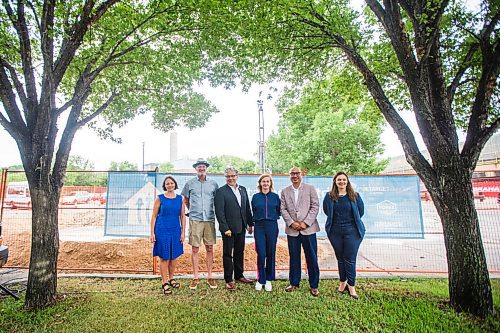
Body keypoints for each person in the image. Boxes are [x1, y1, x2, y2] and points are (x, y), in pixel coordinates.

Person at [323, 171, 365, 299]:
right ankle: (343, 282)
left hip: (352, 231)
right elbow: (326, 211)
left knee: (350, 259)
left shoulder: (355, 196)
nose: (341, 182)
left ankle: (351, 285)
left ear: (347, 182)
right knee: (340, 258)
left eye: (344, 180)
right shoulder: (329, 196)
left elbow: (360, 212)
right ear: (335, 182)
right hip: (335, 231)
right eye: (339, 180)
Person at [280, 167, 321, 297]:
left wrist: (306, 222)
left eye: (297, 173)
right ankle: (294, 282)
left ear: (301, 175)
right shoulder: (285, 191)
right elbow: (283, 209)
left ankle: (314, 285)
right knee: (294, 258)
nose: (295, 176)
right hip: (292, 230)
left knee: (312, 258)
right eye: (292, 174)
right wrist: (292, 223)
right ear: (289, 176)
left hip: (308, 229)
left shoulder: (310, 188)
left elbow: (315, 206)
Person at [181, 158, 219, 290]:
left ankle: (210, 276)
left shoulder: (213, 184)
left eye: (203, 166)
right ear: (195, 169)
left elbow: (217, 201)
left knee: (209, 248)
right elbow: (186, 199)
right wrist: (192, 209)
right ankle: (195, 277)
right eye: (199, 167)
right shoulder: (190, 184)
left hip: (209, 219)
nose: (201, 169)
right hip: (195, 219)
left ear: (206, 168)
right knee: (195, 249)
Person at [214, 167, 254, 291]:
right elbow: (219, 212)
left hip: (241, 227)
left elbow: (247, 208)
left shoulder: (243, 189)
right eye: (228, 176)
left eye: (233, 176)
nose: (230, 178)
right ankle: (229, 279)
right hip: (228, 229)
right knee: (227, 254)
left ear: (237, 176)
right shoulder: (221, 192)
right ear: (225, 178)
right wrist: (225, 227)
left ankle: (239, 275)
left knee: (239, 252)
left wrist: (250, 224)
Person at [150, 175, 186, 295]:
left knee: (174, 256)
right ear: (164, 186)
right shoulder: (159, 198)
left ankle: (171, 278)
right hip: (162, 230)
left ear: (175, 184)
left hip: (175, 230)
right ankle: (164, 282)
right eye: (167, 184)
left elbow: (182, 217)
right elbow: (154, 216)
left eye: (171, 183)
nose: (169, 185)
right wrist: (152, 233)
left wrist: (183, 232)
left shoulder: (180, 199)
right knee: (164, 257)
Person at [251, 174, 280, 292]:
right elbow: (253, 210)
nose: (266, 183)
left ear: (270, 183)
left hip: (272, 226)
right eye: (263, 181)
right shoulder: (256, 197)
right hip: (259, 226)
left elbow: (278, 211)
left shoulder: (275, 197)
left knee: (271, 253)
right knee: (261, 253)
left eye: (268, 181)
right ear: (260, 183)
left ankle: (268, 279)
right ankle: (260, 279)